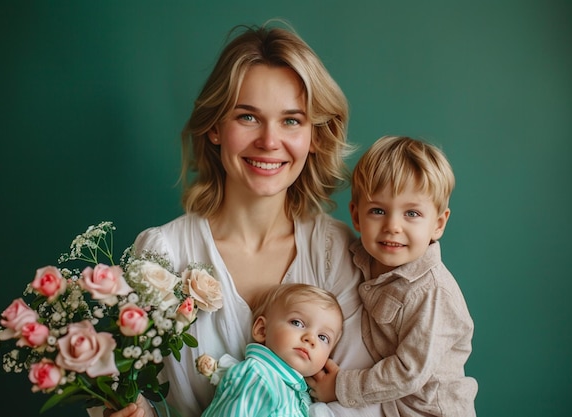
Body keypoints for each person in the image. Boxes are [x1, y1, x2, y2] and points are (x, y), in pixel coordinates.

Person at [101, 20, 383, 417]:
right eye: (247, 117)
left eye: (291, 120)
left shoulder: (336, 252)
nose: (269, 141)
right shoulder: (162, 253)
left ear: (314, 136)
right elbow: (117, 387)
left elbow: (361, 404)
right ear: (215, 127)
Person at [306, 136, 478, 416]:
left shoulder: (432, 292)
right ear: (357, 216)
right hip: (388, 405)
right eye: (378, 211)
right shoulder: (356, 258)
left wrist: (340, 387)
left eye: (411, 213)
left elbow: (408, 372)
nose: (393, 226)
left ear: (438, 224)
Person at [201, 283, 343, 417]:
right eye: (297, 323)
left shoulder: (302, 395)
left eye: (323, 337)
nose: (311, 338)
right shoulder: (257, 377)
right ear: (262, 330)